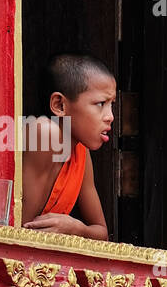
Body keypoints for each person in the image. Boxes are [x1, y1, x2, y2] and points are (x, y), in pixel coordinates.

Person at [21, 54, 112, 240]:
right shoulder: (45, 133)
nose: (110, 116)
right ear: (59, 105)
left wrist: (76, 229)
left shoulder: (80, 151)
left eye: (111, 104)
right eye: (100, 104)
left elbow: (102, 233)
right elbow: (20, 229)